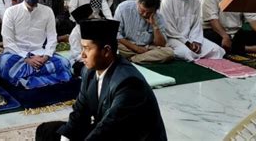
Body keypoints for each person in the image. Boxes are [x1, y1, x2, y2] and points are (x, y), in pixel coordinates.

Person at [36, 19, 167, 141]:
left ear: (106, 51)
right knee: (47, 131)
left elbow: (109, 126)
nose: (82, 55)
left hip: (129, 136)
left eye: (87, 48)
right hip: (109, 131)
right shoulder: (89, 71)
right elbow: (80, 112)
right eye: (82, 48)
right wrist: (66, 138)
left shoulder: (128, 82)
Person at [0, 0, 72, 89]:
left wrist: (46, 57)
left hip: (40, 53)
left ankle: (29, 80)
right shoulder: (11, 12)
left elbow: (52, 37)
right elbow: (8, 41)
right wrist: (26, 58)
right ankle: (49, 78)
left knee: (64, 62)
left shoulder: (47, 11)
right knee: (5, 64)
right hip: (17, 54)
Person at [161, 0, 226, 61]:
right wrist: (186, 42)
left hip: (192, 38)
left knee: (217, 50)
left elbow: (196, 25)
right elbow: (169, 28)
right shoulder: (168, 0)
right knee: (187, 53)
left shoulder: (195, 1)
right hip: (173, 38)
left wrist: (196, 41)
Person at [114, 0, 174, 64]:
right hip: (126, 46)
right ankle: (141, 58)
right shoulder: (123, 8)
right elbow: (116, 34)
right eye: (142, 10)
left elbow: (161, 44)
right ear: (138, 2)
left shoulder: (158, 17)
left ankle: (133, 59)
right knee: (111, 45)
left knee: (169, 53)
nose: (145, 14)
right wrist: (136, 48)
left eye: (149, 12)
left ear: (155, 10)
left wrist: (155, 26)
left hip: (146, 48)